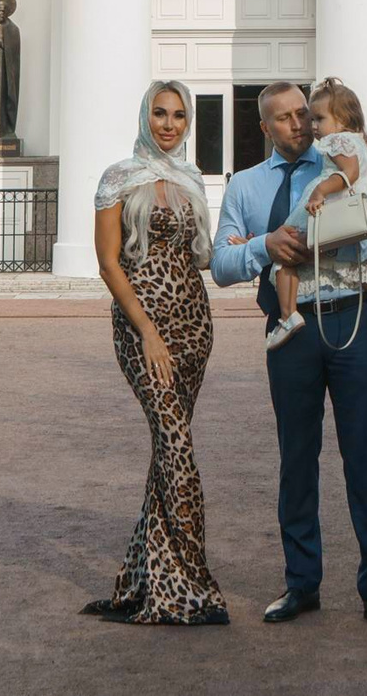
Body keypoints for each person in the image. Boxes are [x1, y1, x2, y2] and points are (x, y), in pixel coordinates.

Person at [211, 79, 367, 633]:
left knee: (364, 457)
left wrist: (332, 242)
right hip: (290, 329)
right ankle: (302, 583)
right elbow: (221, 263)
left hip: (352, 317)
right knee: (296, 459)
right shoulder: (246, 186)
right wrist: (265, 245)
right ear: (264, 127)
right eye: (285, 117)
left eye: (304, 113)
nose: (300, 123)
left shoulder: (342, 159)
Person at [83, 80, 229, 626]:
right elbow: (108, 263)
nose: (169, 124)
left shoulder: (190, 179)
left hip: (194, 325)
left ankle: (142, 582)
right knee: (177, 448)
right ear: (146, 116)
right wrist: (145, 329)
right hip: (143, 328)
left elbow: (202, 256)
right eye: (160, 114)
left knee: (167, 454)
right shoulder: (119, 178)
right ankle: (193, 586)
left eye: (179, 116)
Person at [255, 78, 367, 365]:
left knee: (286, 256)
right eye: (313, 118)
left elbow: (349, 173)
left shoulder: (335, 142)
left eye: (317, 118)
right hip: (365, 209)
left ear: (341, 120)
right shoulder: (365, 142)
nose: (311, 126)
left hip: (338, 209)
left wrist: (321, 190)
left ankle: (288, 316)